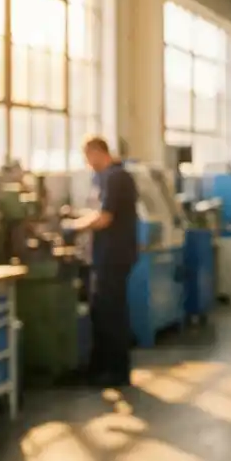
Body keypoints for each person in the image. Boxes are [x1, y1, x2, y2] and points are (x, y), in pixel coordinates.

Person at [66, 135, 139, 388]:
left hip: (114, 256)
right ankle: (101, 367)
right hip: (107, 255)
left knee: (112, 312)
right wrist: (79, 217)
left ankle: (117, 371)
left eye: (88, 157)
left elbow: (105, 217)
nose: (88, 163)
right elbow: (99, 212)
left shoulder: (116, 177)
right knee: (101, 310)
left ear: (98, 152)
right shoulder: (108, 178)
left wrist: (74, 227)